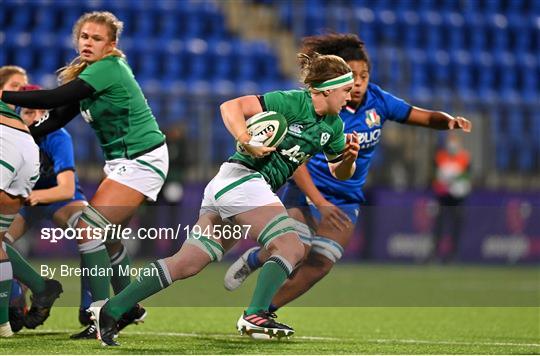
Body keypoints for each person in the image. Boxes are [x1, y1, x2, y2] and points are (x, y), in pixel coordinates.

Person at [85, 51, 359, 346]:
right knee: (291, 246)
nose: (350, 95)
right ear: (328, 88)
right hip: (243, 180)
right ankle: (255, 314)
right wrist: (245, 138)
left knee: (186, 263)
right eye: (346, 89)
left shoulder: (334, 126)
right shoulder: (292, 102)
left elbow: (340, 171)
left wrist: (348, 159)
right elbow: (231, 106)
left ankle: (111, 311)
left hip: (232, 189)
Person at [224, 33, 472, 313]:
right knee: (298, 251)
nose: (358, 82)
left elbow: (422, 116)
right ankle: (256, 260)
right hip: (308, 190)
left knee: (320, 265)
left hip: (346, 197)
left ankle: (264, 311)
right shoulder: (321, 106)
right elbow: (297, 163)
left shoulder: (378, 101)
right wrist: (319, 202)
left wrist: (450, 122)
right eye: (351, 75)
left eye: (364, 75)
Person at [0, 11, 168, 336]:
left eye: (97, 38)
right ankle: (128, 307)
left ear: (112, 44)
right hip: (123, 163)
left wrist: (3, 96)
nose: (88, 43)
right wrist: (22, 133)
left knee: (90, 230)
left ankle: (100, 315)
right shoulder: (91, 73)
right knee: (108, 238)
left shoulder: (109, 68)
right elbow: (55, 119)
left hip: (142, 160)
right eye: (84, 37)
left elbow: (51, 99)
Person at [0, 65, 41, 337]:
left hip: (9, 146)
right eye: (16, 85)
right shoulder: (22, 121)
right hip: (28, 152)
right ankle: (4, 322)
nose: (22, 91)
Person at [429, 132, 471, 262]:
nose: (452, 144)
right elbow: (434, 176)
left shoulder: (465, 157)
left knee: (456, 225)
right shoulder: (440, 156)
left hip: (457, 198)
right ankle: (435, 254)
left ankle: (453, 255)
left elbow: (467, 177)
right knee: (439, 225)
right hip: (442, 196)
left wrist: (458, 184)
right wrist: (443, 183)